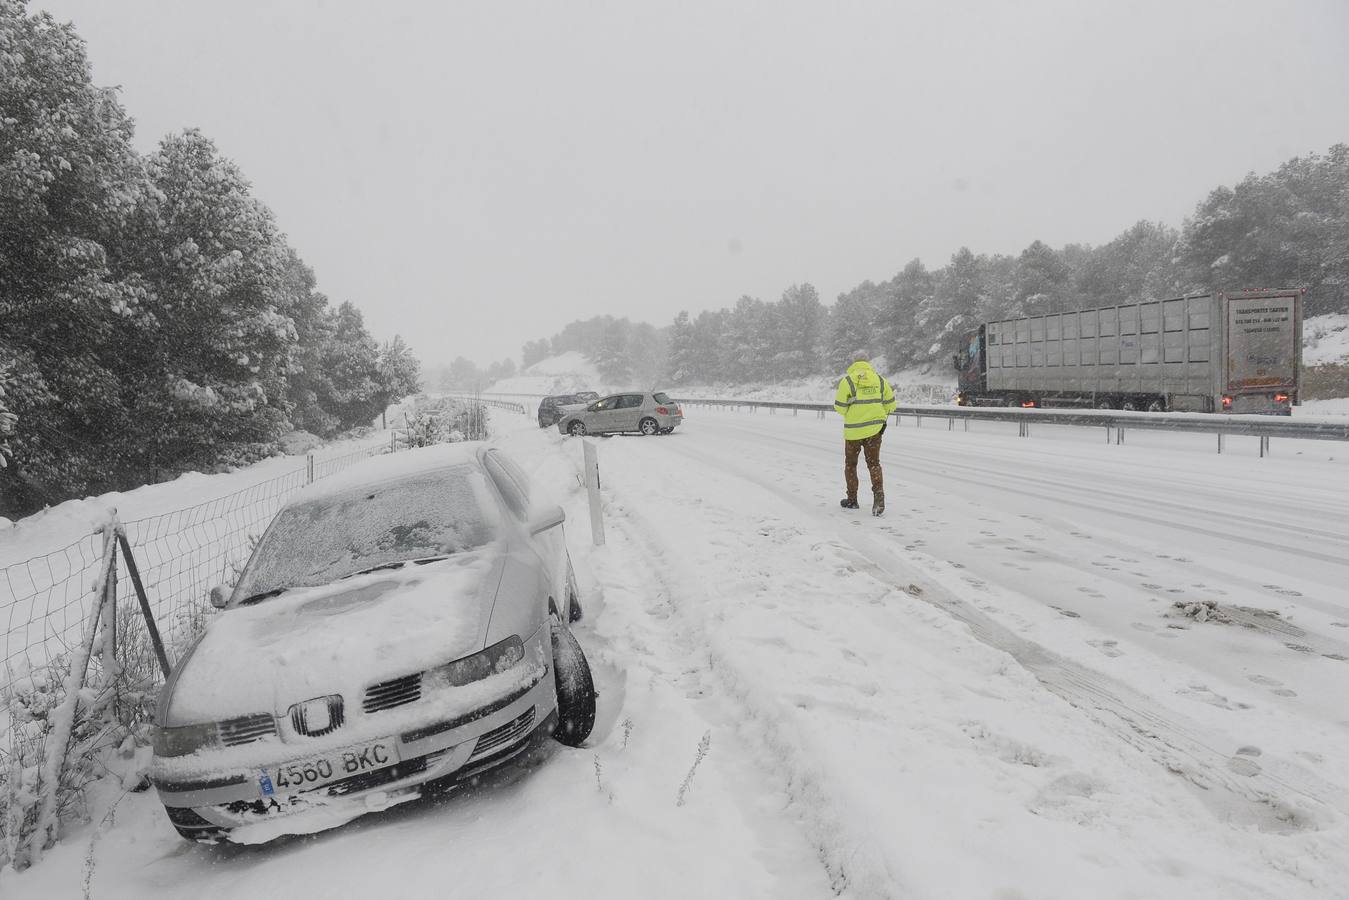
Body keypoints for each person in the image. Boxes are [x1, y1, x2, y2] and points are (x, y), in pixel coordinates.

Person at [833, 351, 896, 516]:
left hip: (853, 432)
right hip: (875, 431)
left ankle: (852, 499)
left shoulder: (847, 381)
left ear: (854, 363)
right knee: (874, 464)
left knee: (851, 465)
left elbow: (839, 407)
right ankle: (879, 496)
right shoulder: (880, 380)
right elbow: (891, 405)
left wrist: (852, 406)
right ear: (868, 362)